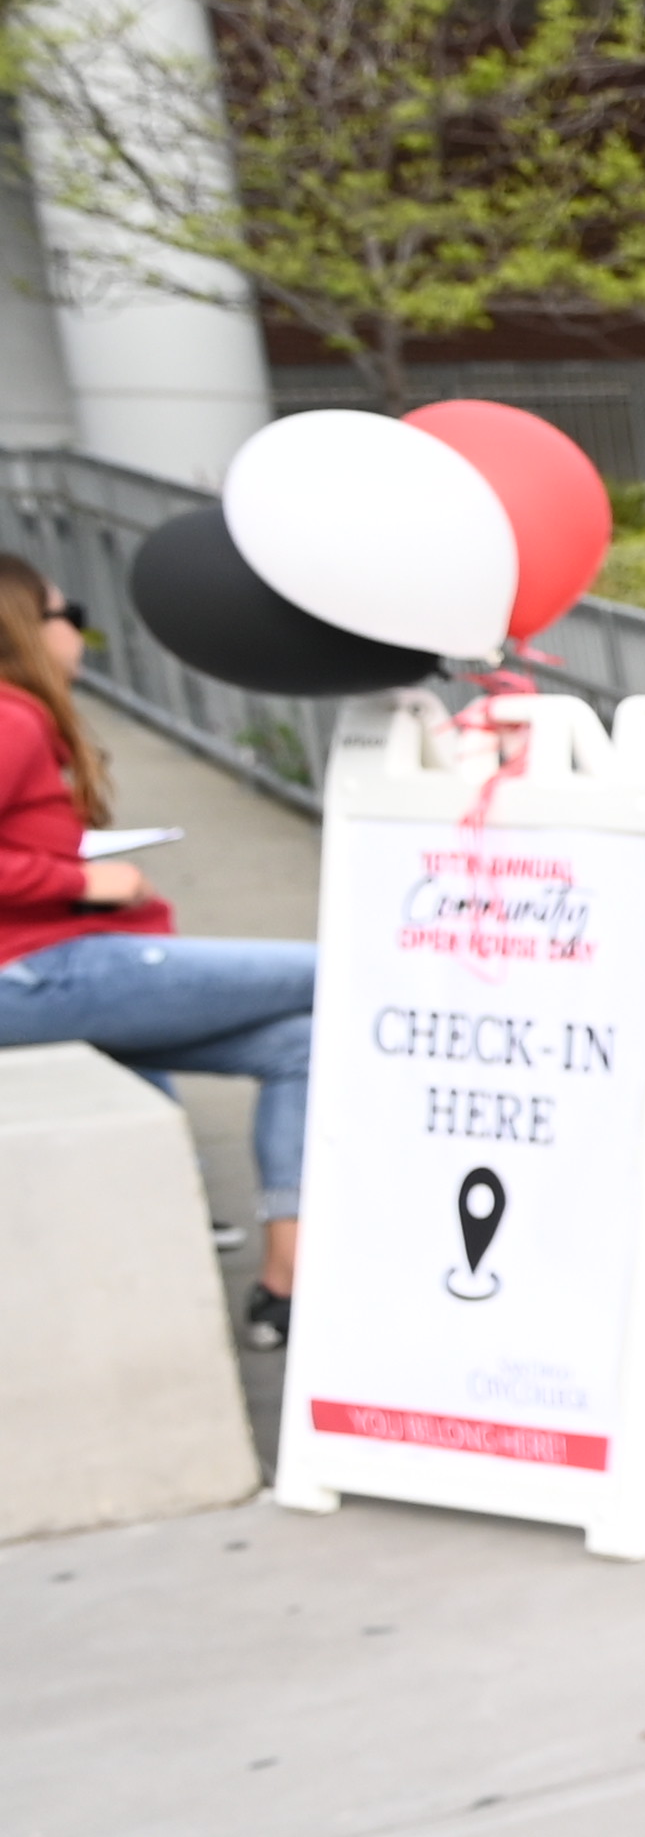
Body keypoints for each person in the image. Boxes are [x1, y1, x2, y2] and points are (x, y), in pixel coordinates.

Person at [0, 552, 309, 1345]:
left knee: (298, 1046)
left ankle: (286, 1285)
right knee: (342, 974)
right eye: (66, 615)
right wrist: (84, 882)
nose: (77, 631)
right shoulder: (10, 717)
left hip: (59, 968)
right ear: (22, 628)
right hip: (43, 972)